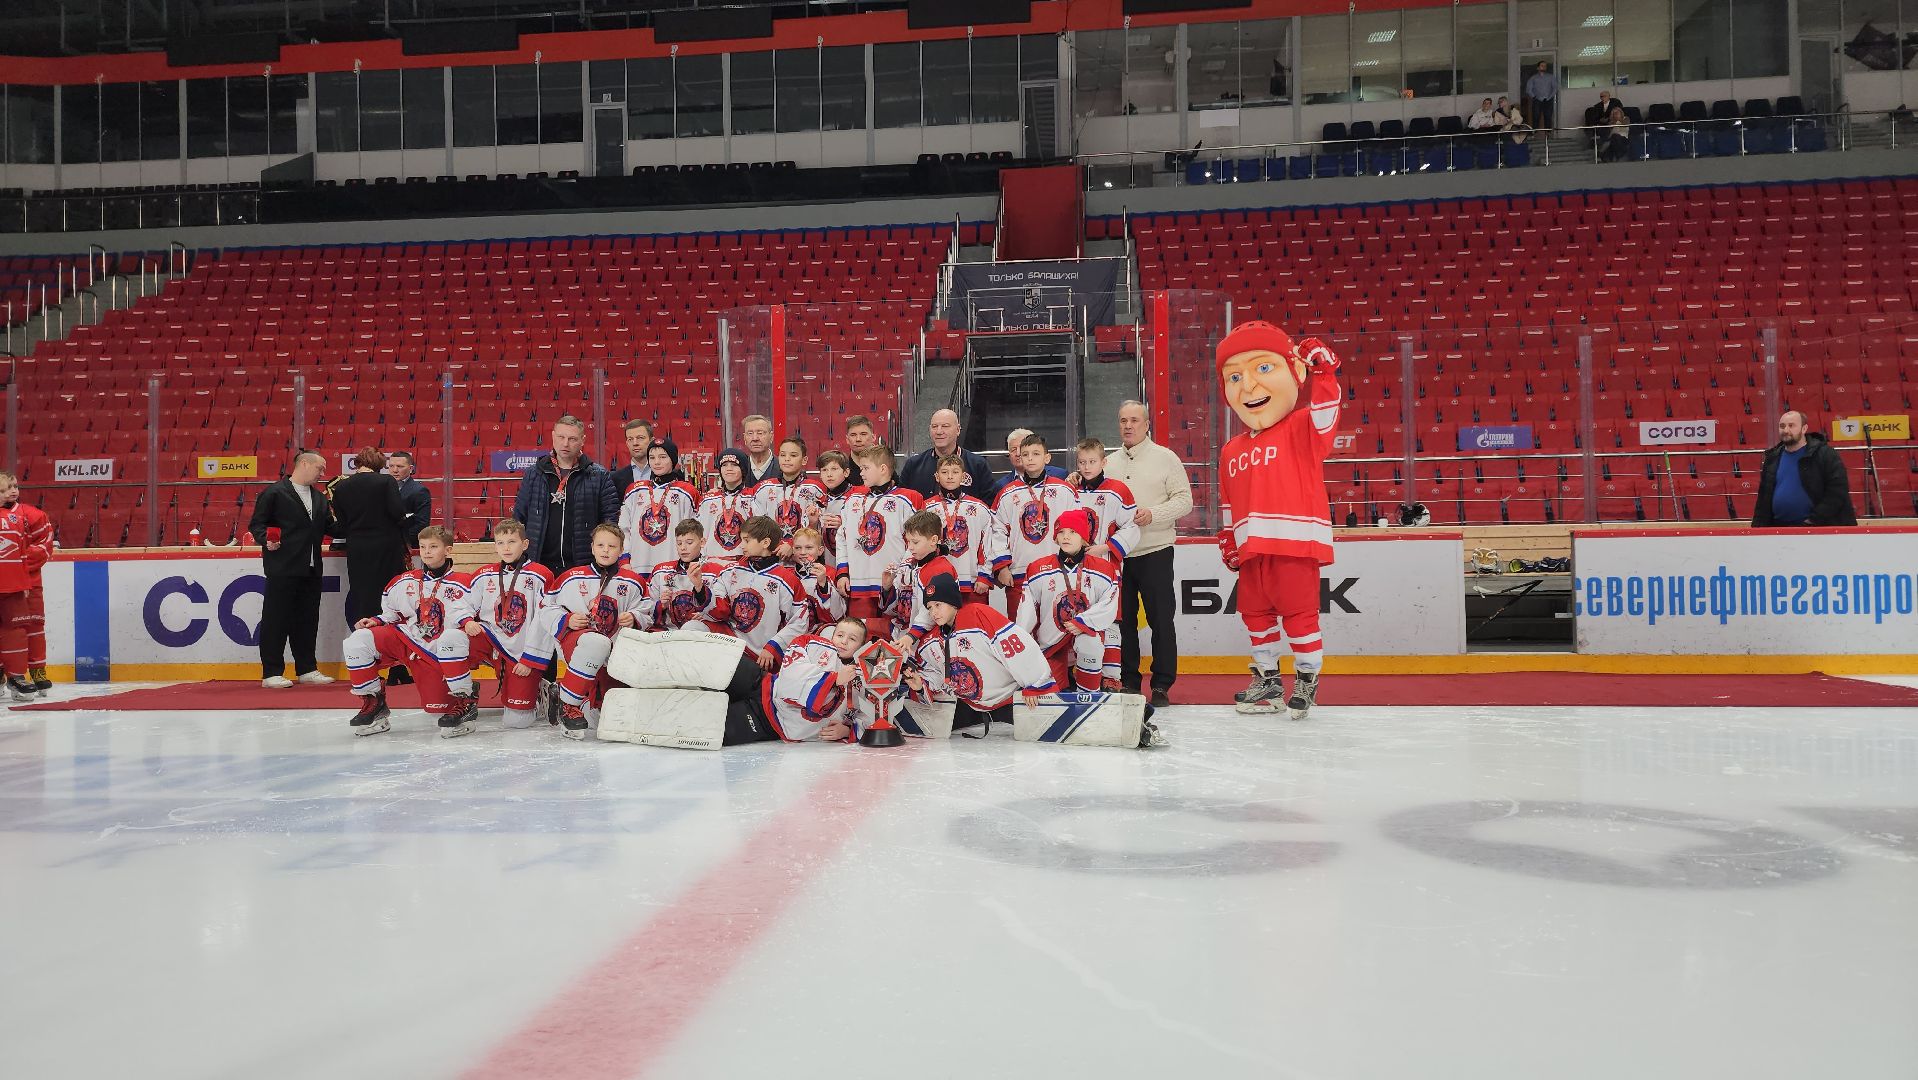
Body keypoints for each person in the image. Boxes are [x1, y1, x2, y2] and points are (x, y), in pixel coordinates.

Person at [1215, 321, 1342, 720]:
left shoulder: (1301, 425)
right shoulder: (1230, 449)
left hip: (1293, 544)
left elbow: (1326, 414)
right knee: (1255, 613)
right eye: (1234, 377)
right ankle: (1268, 683)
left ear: (1295, 372)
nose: (1248, 387)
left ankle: (1307, 678)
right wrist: (1228, 538)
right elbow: (1228, 501)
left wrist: (1324, 374)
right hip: (1252, 550)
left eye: (1263, 368)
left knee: (1299, 613)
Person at [342, 525, 479, 737]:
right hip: (407, 639)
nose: (427, 551)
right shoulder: (404, 580)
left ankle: (466, 697)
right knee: (357, 640)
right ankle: (374, 703)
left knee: (437, 711)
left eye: (433, 546)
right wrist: (376, 620)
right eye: (423, 547)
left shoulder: (465, 583)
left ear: (448, 550)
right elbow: (392, 613)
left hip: (438, 652)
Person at [1105, 401, 1193, 709]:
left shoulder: (1165, 458)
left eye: (1134, 420)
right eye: (1122, 421)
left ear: (1146, 424)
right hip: (1119, 556)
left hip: (1155, 551)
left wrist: (1154, 513)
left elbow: (1185, 500)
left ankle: (1162, 684)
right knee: (1123, 621)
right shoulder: (1109, 462)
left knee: (1160, 620)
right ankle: (1129, 680)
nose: (1127, 426)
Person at [903, 573, 1058, 734]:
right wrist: (921, 685)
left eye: (938, 605)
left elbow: (1016, 646)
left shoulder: (978, 616)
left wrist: (1035, 684)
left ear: (953, 602)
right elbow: (938, 676)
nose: (933, 612)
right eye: (929, 608)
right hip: (971, 707)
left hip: (1009, 700)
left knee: (1043, 732)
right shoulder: (930, 644)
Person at [545, 524, 653, 739]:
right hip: (578, 644)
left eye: (612, 546)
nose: (605, 550)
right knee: (596, 643)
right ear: (592, 548)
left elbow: (648, 613)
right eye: (600, 545)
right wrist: (567, 619)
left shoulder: (634, 582)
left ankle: (566, 692)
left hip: (615, 653)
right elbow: (546, 608)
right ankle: (568, 704)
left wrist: (634, 617)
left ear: (621, 550)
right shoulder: (571, 577)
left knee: (603, 721)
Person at [248, 452, 336, 689]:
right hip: (283, 566)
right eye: (320, 468)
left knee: (307, 620)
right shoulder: (274, 493)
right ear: (304, 464)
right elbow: (257, 524)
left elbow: (332, 527)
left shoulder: (319, 498)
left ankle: (307, 668)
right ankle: (272, 671)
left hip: (311, 567)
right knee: (276, 619)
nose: (322, 473)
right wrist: (266, 538)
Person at [460, 519, 556, 730]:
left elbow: (546, 622)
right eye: (501, 542)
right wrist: (467, 621)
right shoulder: (484, 574)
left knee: (517, 721)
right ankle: (464, 694)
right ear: (494, 545)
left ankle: (540, 689)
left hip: (522, 653)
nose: (506, 548)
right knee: (453, 640)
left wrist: (530, 660)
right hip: (492, 642)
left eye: (512, 541)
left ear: (525, 544)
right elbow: (463, 604)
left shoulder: (541, 575)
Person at [1016, 509, 1121, 693]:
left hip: (1085, 633)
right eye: (1062, 532)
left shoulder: (1104, 569)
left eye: (1073, 532)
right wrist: (1023, 648)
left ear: (1084, 538)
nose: (1066, 537)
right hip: (1052, 642)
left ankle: (1093, 692)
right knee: (1050, 692)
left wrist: (1083, 622)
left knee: (1100, 639)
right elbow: (1027, 611)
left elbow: (1108, 606)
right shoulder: (1038, 568)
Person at [835, 443, 924, 640]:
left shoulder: (908, 499)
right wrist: (843, 572)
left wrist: (903, 575)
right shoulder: (853, 500)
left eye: (866, 468)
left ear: (883, 469)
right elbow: (841, 538)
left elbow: (917, 541)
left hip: (895, 588)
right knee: (857, 642)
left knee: (893, 643)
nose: (861, 473)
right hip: (858, 586)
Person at [512, 414, 619, 573]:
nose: (565, 443)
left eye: (572, 439)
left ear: (583, 440)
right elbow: (519, 519)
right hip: (538, 564)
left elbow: (610, 522)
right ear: (553, 436)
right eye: (561, 437)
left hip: (583, 566)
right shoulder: (533, 474)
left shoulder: (599, 476)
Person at [991, 432, 1080, 617]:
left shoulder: (1064, 490)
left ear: (1047, 457)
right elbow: (996, 531)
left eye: (1036, 454)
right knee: (1021, 633)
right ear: (1019, 458)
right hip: (1018, 574)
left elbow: (1077, 529)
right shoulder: (1007, 493)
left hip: (1057, 571)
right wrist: (1001, 567)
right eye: (1025, 454)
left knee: (1057, 627)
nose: (1030, 458)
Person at [703, 516, 809, 669]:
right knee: (694, 627)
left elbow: (799, 622)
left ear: (765, 543)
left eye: (747, 540)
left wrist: (774, 646)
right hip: (731, 643)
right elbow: (719, 609)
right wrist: (700, 590)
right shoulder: (731, 571)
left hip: (761, 656)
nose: (741, 545)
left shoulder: (787, 580)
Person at [331, 447, 410, 624]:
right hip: (386, 546)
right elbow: (397, 513)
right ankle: (388, 637)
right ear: (379, 464)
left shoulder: (341, 486)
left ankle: (366, 635)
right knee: (389, 592)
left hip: (357, 548)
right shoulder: (386, 481)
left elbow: (341, 523)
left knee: (363, 594)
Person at [1752, 411, 1858, 527]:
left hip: (1820, 530)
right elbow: (1763, 499)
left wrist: (1813, 521)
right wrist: (1757, 528)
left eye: (1791, 425)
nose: (1786, 430)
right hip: (1779, 530)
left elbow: (1837, 491)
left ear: (1804, 428)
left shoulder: (1825, 454)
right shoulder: (1772, 458)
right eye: (1782, 426)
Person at [0, 472, 53, 701]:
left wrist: (17, 565)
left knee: (31, 627)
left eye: (15, 486)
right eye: (6, 488)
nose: (13, 491)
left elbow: (45, 545)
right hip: (10, 580)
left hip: (26, 582)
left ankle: (36, 669)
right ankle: (5, 672)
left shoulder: (33, 514)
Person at [926, 453, 1006, 596]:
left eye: (955, 472)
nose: (950, 476)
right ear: (937, 476)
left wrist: (984, 575)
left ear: (963, 477)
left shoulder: (979, 507)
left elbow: (987, 544)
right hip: (937, 580)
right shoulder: (927, 508)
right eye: (944, 472)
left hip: (973, 581)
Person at [618, 440, 700, 572]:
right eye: (652, 457)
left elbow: (694, 532)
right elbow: (623, 529)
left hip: (673, 567)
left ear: (673, 460)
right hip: (637, 566)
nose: (656, 462)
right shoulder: (634, 490)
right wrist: (624, 560)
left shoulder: (687, 492)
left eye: (662, 457)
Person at [888, 511, 959, 643]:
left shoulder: (941, 570)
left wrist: (911, 636)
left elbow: (934, 611)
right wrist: (887, 588)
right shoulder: (909, 560)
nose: (910, 547)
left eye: (915, 542)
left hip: (926, 639)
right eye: (908, 541)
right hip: (901, 629)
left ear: (933, 540)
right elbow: (894, 606)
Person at [898, 408, 995, 501]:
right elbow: (902, 503)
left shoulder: (978, 465)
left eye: (945, 426)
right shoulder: (913, 465)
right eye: (934, 426)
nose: (939, 432)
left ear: (958, 430)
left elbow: (988, 505)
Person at [1071, 438, 1140, 564]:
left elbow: (1131, 526)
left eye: (1092, 462)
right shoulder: (1071, 490)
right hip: (1074, 563)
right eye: (1082, 462)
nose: (1087, 467)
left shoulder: (1118, 490)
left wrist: (1105, 547)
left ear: (1103, 463)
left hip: (1105, 562)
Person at [647, 519, 722, 631]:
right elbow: (645, 610)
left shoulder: (717, 572)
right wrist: (661, 606)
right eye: (679, 543)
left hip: (700, 636)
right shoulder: (660, 571)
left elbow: (723, 612)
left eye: (689, 542)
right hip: (667, 635)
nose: (683, 548)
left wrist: (707, 617)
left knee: (692, 627)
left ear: (702, 542)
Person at [753, 436, 825, 549]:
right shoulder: (764, 488)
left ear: (804, 460)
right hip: (772, 553)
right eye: (783, 455)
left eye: (793, 455)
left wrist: (792, 546)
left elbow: (820, 530)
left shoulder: (815, 489)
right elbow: (757, 526)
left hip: (803, 555)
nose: (787, 459)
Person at [698, 448, 758, 562]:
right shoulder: (707, 499)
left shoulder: (753, 497)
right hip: (712, 563)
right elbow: (698, 532)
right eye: (724, 465)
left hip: (743, 563)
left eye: (734, 465)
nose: (729, 469)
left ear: (743, 470)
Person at [790, 526, 845, 631]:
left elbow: (839, 613)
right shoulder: (788, 575)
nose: (802, 552)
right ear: (793, 550)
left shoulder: (831, 573)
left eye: (809, 547)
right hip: (793, 629)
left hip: (823, 630)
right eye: (798, 548)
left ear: (820, 551)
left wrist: (823, 584)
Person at [992, 427, 1067, 493]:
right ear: (1009, 454)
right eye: (1013, 449)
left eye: (1022, 448)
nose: (1018, 453)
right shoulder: (1001, 486)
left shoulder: (1061, 475)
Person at [815, 450, 857, 557]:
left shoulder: (858, 497)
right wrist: (812, 523)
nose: (829, 474)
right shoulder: (819, 501)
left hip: (853, 561)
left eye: (834, 469)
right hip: (828, 563)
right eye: (824, 470)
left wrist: (844, 526)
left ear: (846, 472)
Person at [386, 451, 432, 541]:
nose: (394, 470)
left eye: (400, 466)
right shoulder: (383, 488)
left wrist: (398, 539)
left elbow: (422, 524)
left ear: (411, 469)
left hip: (406, 544)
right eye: (391, 466)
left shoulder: (419, 491)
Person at [610, 419, 655, 494]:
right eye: (630, 439)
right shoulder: (615, 478)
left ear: (652, 441)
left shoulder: (665, 474)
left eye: (640, 438)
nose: (635, 443)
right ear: (627, 443)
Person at [740, 414, 778, 484]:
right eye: (750, 433)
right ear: (744, 438)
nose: (755, 438)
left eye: (760, 433)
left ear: (771, 437)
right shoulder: (738, 469)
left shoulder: (783, 468)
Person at [843, 415, 877, 486]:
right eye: (853, 435)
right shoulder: (841, 470)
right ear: (847, 439)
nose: (858, 439)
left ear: (873, 437)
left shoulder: (885, 465)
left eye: (863, 434)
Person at [1525, 61, 1558, 132]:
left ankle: (1548, 134)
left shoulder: (1551, 77)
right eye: (1542, 65)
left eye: (1545, 66)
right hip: (1537, 100)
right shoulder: (1533, 78)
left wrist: (1550, 97)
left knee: (1548, 117)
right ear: (1538, 67)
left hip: (1548, 100)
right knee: (1536, 116)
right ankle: (1534, 133)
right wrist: (1534, 97)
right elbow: (1528, 89)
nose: (1544, 67)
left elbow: (1555, 88)